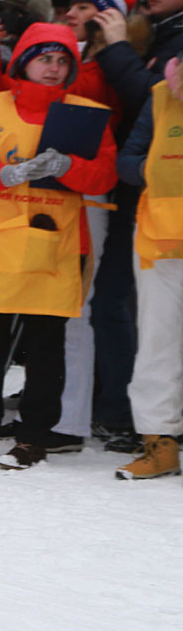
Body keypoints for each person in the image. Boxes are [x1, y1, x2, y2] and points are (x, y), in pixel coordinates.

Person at [0, 24, 118, 468]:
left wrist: (69, 166)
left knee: (45, 349)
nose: (53, 68)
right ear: (22, 61)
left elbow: (104, 175)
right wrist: (3, 174)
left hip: (56, 246)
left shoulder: (89, 114)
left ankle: (33, 438)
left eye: (62, 61)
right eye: (44, 59)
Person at [114, 55, 183, 478]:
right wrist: (149, 167)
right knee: (158, 344)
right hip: (162, 241)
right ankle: (159, 443)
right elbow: (127, 161)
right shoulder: (161, 95)